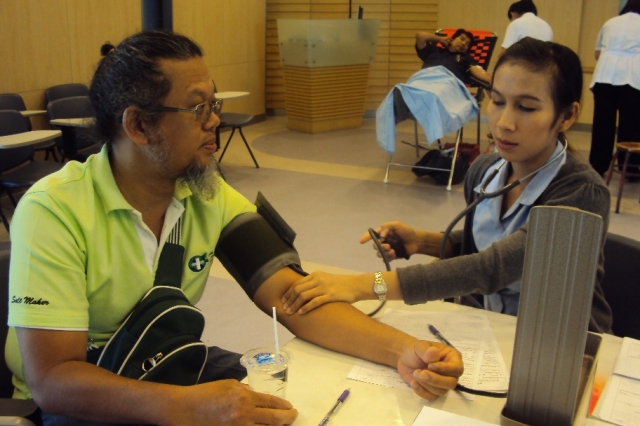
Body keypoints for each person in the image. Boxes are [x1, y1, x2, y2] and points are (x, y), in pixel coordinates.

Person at [6, 31, 463, 425]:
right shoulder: (54, 210)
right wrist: (186, 407)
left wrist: (404, 351)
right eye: (197, 108)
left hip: (164, 363)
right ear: (139, 125)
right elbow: (53, 380)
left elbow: (292, 298)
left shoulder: (207, 193)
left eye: (214, 103)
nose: (215, 120)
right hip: (85, 395)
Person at [282, 38, 613, 335]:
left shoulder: (582, 193)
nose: (504, 122)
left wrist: (363, 285)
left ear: (567, 116)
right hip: (487, 328)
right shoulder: (485, 170)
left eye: (526, 108)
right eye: (498, 101)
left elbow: (493, 268)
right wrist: (423, 241)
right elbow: (480, 246)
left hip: (556, 344)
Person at [588, 0, 640, 177]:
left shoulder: (610, 23)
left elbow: (597, 53)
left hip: (605, 76)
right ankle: (629, 167)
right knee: (630, 125)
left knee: (602, 124)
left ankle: (598, 165)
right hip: (632, 78)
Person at [414, 28, 492, 85]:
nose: (464, 43)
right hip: (423, 81)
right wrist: (440, 39)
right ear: (452, 39)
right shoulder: (434, 52)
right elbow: (420, 36)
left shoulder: (466, 58)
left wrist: (492, 80)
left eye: (467, 44)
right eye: (462, 39)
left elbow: (476, 69)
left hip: (446, 85)